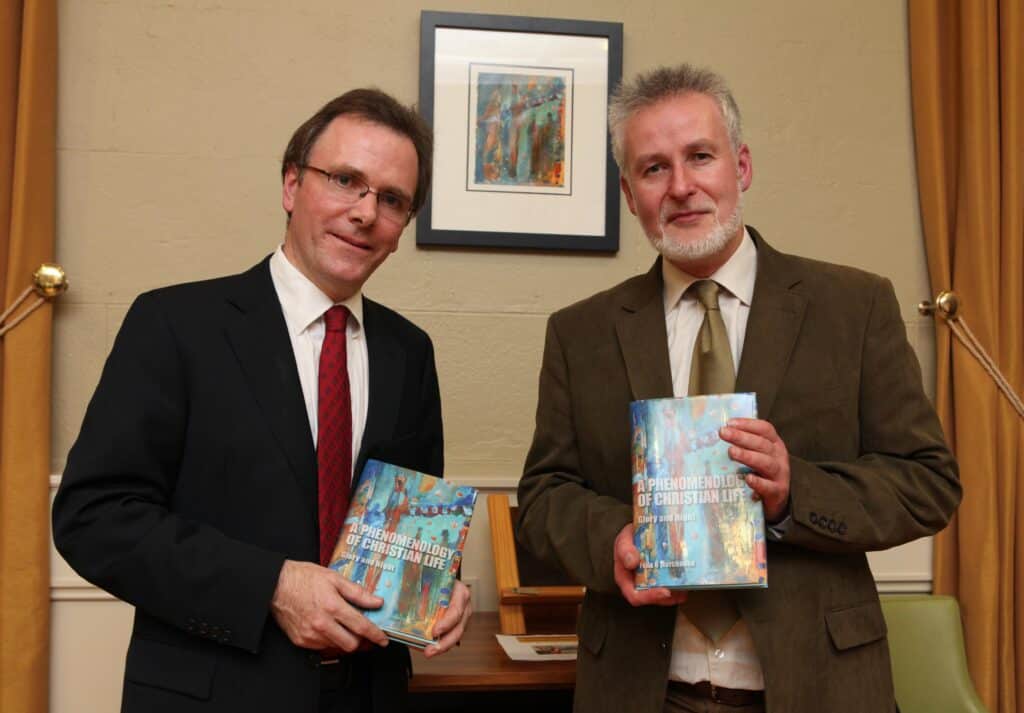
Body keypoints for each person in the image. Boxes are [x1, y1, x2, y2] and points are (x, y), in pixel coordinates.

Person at [515, 64, 961, 713]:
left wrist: (792, 493)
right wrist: (611, 536)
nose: (682, 186)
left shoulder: (854, 306)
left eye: (701, 156)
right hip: (642, 687)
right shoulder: (580, 333)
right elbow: (542, 498)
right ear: (629, 192)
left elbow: (929, 484)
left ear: (741, 166)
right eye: (654, 168)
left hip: (819, 687)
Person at [52, 88, 471, 713]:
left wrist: (438, 585)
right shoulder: (175, 325)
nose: (365, 212)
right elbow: (94, 516)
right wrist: (270, 586)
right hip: (214, 695)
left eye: (392, 200)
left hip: (369, 695)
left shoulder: (410, 353)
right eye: (346, 180)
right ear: (291, 185)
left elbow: (408, 523)